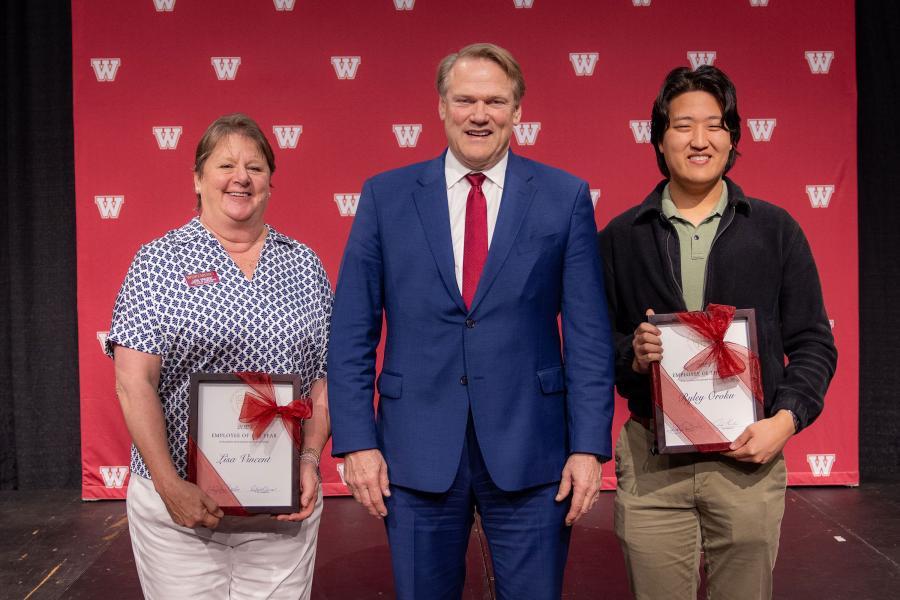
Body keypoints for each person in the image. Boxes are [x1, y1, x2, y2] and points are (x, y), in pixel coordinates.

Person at [327, 43, 615, 600]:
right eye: (465, 100)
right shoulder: (385, 196)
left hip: (535, 452)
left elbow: (587, 337)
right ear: (441, 106)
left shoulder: (565, 197)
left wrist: (587, 447)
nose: (479, 114)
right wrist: (356, 441)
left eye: (494, 101)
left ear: (518, 111)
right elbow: (351, 331)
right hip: (414, 453)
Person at [598, 66, 838, 599]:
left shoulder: (776, 230)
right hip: (653, 462)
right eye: (683, 126)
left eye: (715, 125)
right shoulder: (620, 237)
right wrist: (633, 354)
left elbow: (814, 343)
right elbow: (596, 350)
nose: (699, 140)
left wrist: (786, 420)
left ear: (733, 137)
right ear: (660, 138)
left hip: (748, 462)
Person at [106, 113, 333, 600]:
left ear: (271, 180)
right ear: (197, 178)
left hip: (279, 510)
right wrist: (169, 485)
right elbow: (133, 382)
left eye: (255, 166)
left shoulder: (305, 264)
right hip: (179, 510)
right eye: (226, 164)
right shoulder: (158, 261)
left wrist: (310, 461)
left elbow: (324, 379)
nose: (241, 177)